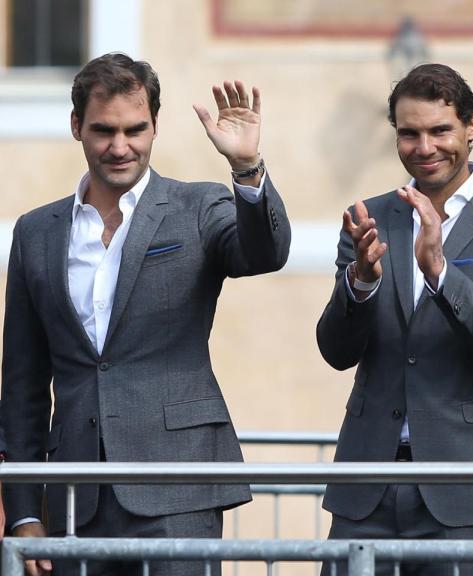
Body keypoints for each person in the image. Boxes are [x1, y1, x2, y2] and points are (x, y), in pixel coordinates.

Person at [0, 52, 290, 576]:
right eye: (103, 130)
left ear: (155, 125)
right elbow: (21, 384)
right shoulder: (34, 232)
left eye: (135, 129)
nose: (119, 146)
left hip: (179, 486)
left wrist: (247, 169)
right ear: (75, 127)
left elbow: (265, 254)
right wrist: (23, 513)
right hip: (74, 496)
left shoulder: (199, 207)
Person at [316, 63, 473, 576]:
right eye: (409, 133)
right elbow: (336, 352)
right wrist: (361, 281)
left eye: (440, 130)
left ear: (471, 126)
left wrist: (441, 272)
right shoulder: (369, 218)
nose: (425, 147)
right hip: (368, 489)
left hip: (470, 493)